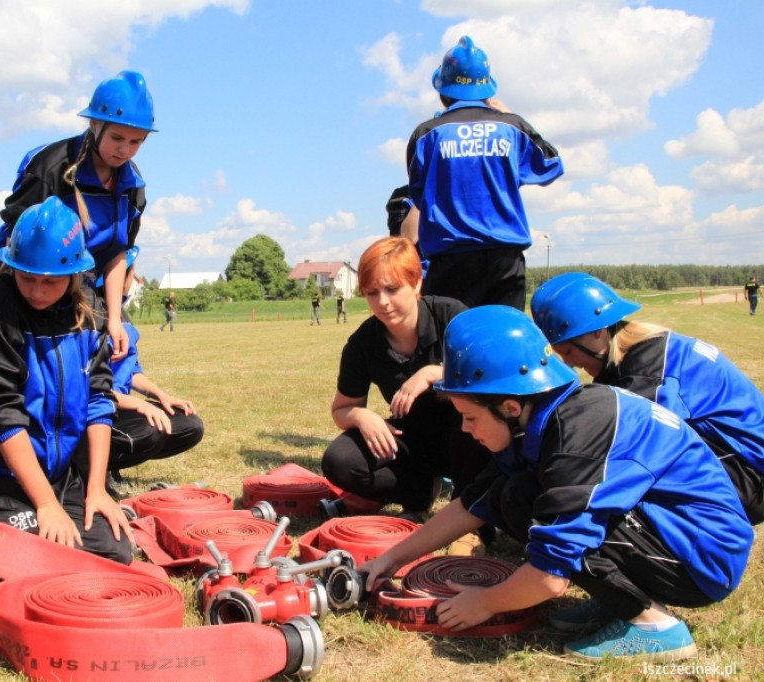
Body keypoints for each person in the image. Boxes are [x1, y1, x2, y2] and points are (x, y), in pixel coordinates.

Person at [358, 305, 752, 662]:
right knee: (514, 496)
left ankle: (655, 626)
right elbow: (470, 505)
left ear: (509, 407)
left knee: (551, 517)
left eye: (470, 417)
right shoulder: (542, 418)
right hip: (674, 536)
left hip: (704, 557)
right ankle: (622, 601)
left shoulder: (577, 436)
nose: (465, 428)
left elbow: (550, 575)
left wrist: (485, 602)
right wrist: (390, 560)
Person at [0, 196, 133, 564]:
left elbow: (99, 400)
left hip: (59, 475)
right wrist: (46, 505)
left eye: (50, 282)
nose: (36, 291)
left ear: (73, 274)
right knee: (52, 558)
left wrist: (96, 489)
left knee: (115, 552)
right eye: (27, 278)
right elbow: (2, 413)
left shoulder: (91, 310)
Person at [531, 272, 764, 524]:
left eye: (567, 351)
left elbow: (627, 443)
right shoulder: (645, 352)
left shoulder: (648, 370)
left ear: (598, 331)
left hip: (747, 480)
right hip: (737, 468)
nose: (569, 362)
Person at [321, 237, 490, 554]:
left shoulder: (452, 317)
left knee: (471, 414)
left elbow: (490, 375)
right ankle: (418, 496)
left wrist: (432, 373)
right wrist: (363, 416)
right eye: (372, 292)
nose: (382, 302)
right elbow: (342, 409)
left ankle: (473, 524)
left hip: (469, 437)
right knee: (340, 461)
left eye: (392, 289)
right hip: (413, 439)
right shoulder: (362, 343)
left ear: (416, 284)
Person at [0, 70, 157, 362]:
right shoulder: (50, 167)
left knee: (121, 357)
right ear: (95, 124)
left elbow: (118, 253)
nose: (124, 150)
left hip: (90, 291)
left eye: (136, 142)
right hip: (37, 285)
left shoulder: (132, 185)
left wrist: (114, 319)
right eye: (117, 137)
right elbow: (15, 242)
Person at [406, 36, 564, 310]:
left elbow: (419, 196)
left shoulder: (426, 134)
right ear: (487, 91)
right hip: (504, 260)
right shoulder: (511, 127)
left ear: (443, 90)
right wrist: (511, 116)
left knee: (452, 333)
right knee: (503, 334)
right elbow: (551, 165)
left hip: (448, 260)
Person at [97, 249, 204, 487]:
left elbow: (131, 370)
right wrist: (141, 405)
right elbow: (91, 389)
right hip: (96, 410)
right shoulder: (91, 316)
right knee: (149, 430)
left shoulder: (120, 314)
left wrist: (161, 396)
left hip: (119, 406)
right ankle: (94, 469)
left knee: (189, 425)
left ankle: (111, 465)